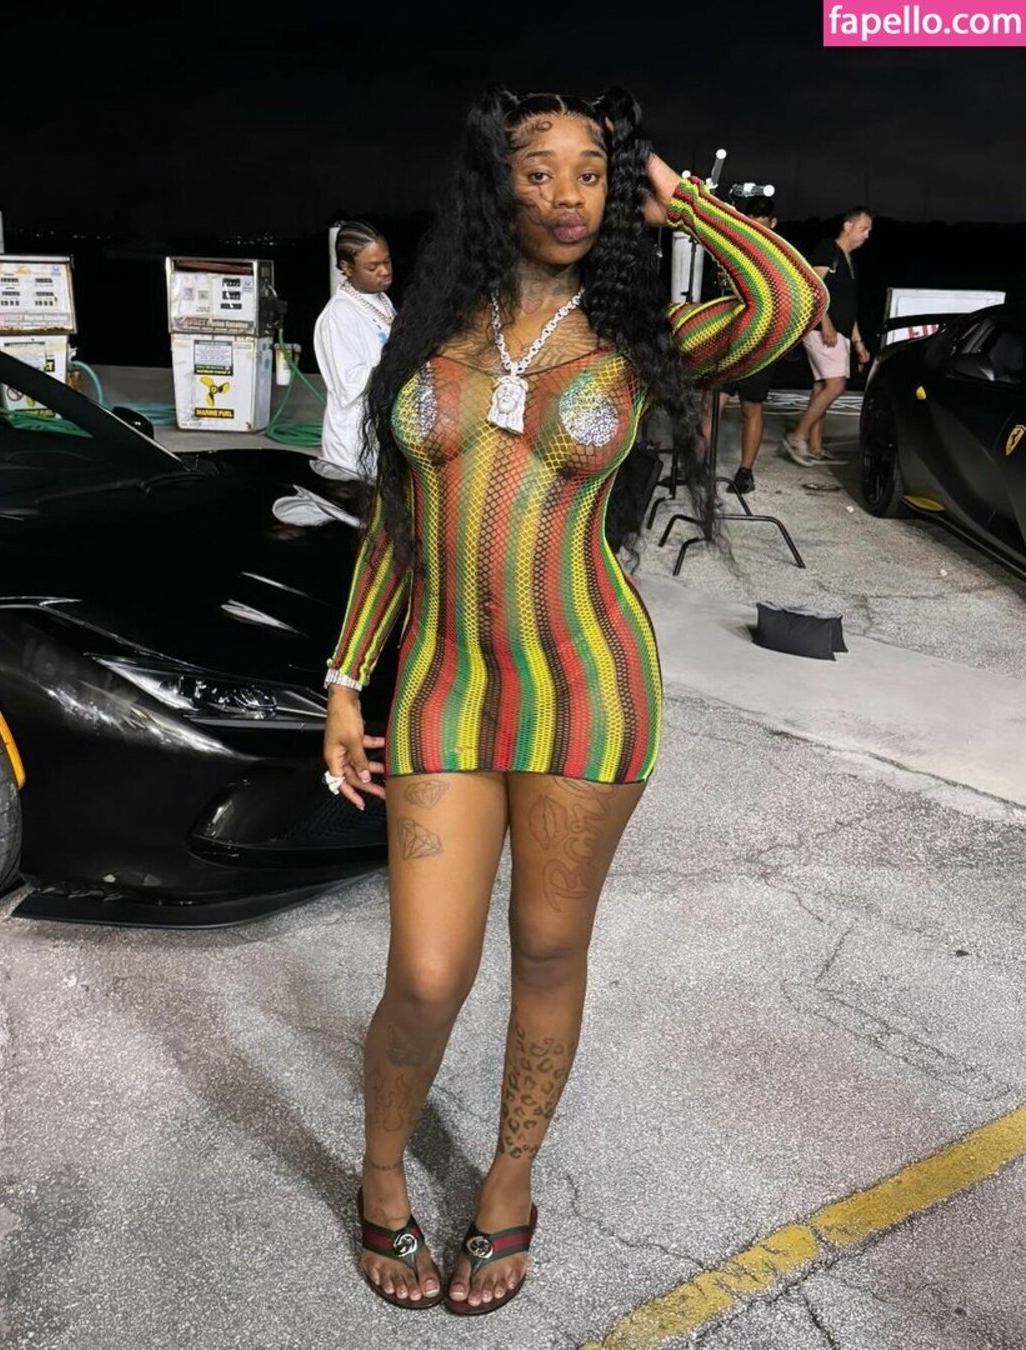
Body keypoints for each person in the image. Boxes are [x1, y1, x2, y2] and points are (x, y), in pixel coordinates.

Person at [322, 88, 826, 1317]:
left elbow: (788, 301)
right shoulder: (430, 333)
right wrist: (344, 680)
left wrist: (679, 195)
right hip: (444, 688)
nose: (563, 195)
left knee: (548, 950)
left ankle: (509, 1179)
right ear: (494, 186)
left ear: (617, 189)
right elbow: (394, 524)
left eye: (590, 172)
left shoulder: (641, 337)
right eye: (536, 169)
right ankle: (381, 1174)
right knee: (426, 971)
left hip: (590, 691)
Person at [699, 194, 784, 494]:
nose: (757, 231)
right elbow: (712, 297)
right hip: (726, 342)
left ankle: (745, 472)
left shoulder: (780, 258)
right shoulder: (730, 251)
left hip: (760, 345)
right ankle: (701, 464)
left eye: (762, 225)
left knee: (751, 407)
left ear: (773, 224)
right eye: (752, 224)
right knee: (711, 403)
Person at [780, 206, 873, 465]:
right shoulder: (827, 249)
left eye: (869, 230)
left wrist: (858, 342)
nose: (867, 235)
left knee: (822, 386)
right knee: (836, 384)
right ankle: (797, 437)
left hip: (841, 332)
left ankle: (815, 446)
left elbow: (848, 307)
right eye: (864, 229)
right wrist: (826, 323)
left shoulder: (849, 260)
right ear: (848, 226)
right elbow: (812, 289)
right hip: (822, 330)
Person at [310, 220, 395, 495]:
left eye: (387, 261)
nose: (384, 271)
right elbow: (350, 382)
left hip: (378, 436)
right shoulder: (339, 316)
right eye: (372, 267)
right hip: (351, 446)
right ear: (346, 268)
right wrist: (402, 360)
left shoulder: (380, 299)